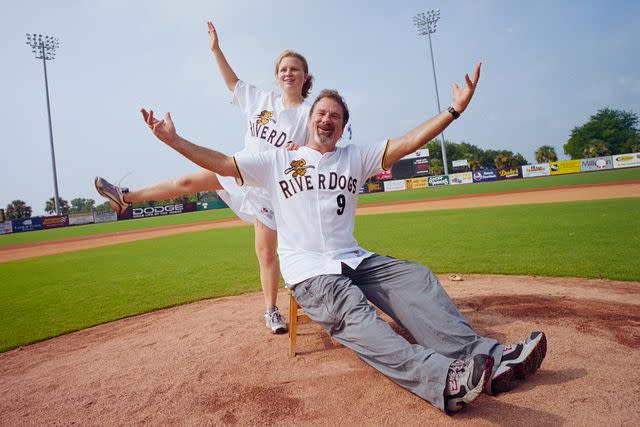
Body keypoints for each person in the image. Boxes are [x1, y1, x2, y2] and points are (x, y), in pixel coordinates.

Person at [139, 63, 547, 414]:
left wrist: (454, 110)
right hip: (309, 271)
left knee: (415, 278)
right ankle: (445, 381)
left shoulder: (355, 157)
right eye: (321, 113)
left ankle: (490, 357)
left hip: (355, 259)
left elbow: (408, 142)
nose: (327, 119)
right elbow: (223, 163)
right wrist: (174, 140)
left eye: (335, 115)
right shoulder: (278, 160)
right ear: (310, 120)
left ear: (343, 125)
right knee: (356, 317)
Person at [95, 21, 314, 334]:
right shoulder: (260, 100)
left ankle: (271, 310)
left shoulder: (309, 113)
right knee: (186, 184)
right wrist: (215, 49)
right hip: (238, 170)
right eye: (282, 69)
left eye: (294, 69)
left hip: (275, 191)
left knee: (269, 252)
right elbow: (231, 82)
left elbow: (320, 147)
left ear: (305, 76)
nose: (288, 74)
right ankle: (124, 197)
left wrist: (303, 147)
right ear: (277, 76)